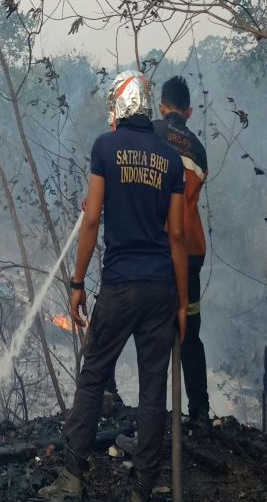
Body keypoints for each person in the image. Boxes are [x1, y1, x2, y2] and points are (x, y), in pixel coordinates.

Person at [40, 71, 187, 501]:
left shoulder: (106, 148)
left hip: (120, 285)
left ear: (117, 108)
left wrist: (77, 280)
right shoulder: (171, 159)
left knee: (94, 376)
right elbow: (177, 235)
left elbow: (91, 218)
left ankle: (72, 475)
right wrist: (181, 302)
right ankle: (144, 486)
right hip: (161, 287)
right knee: (152, 389)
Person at [152, 76, 210, 427]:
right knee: (190, 330)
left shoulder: (152, 134)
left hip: (159, 246)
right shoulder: (200, 149)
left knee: (155, 331)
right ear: (189, 111)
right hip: (191, 251)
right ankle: (200, 412)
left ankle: (152, 417)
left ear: (161, 106)